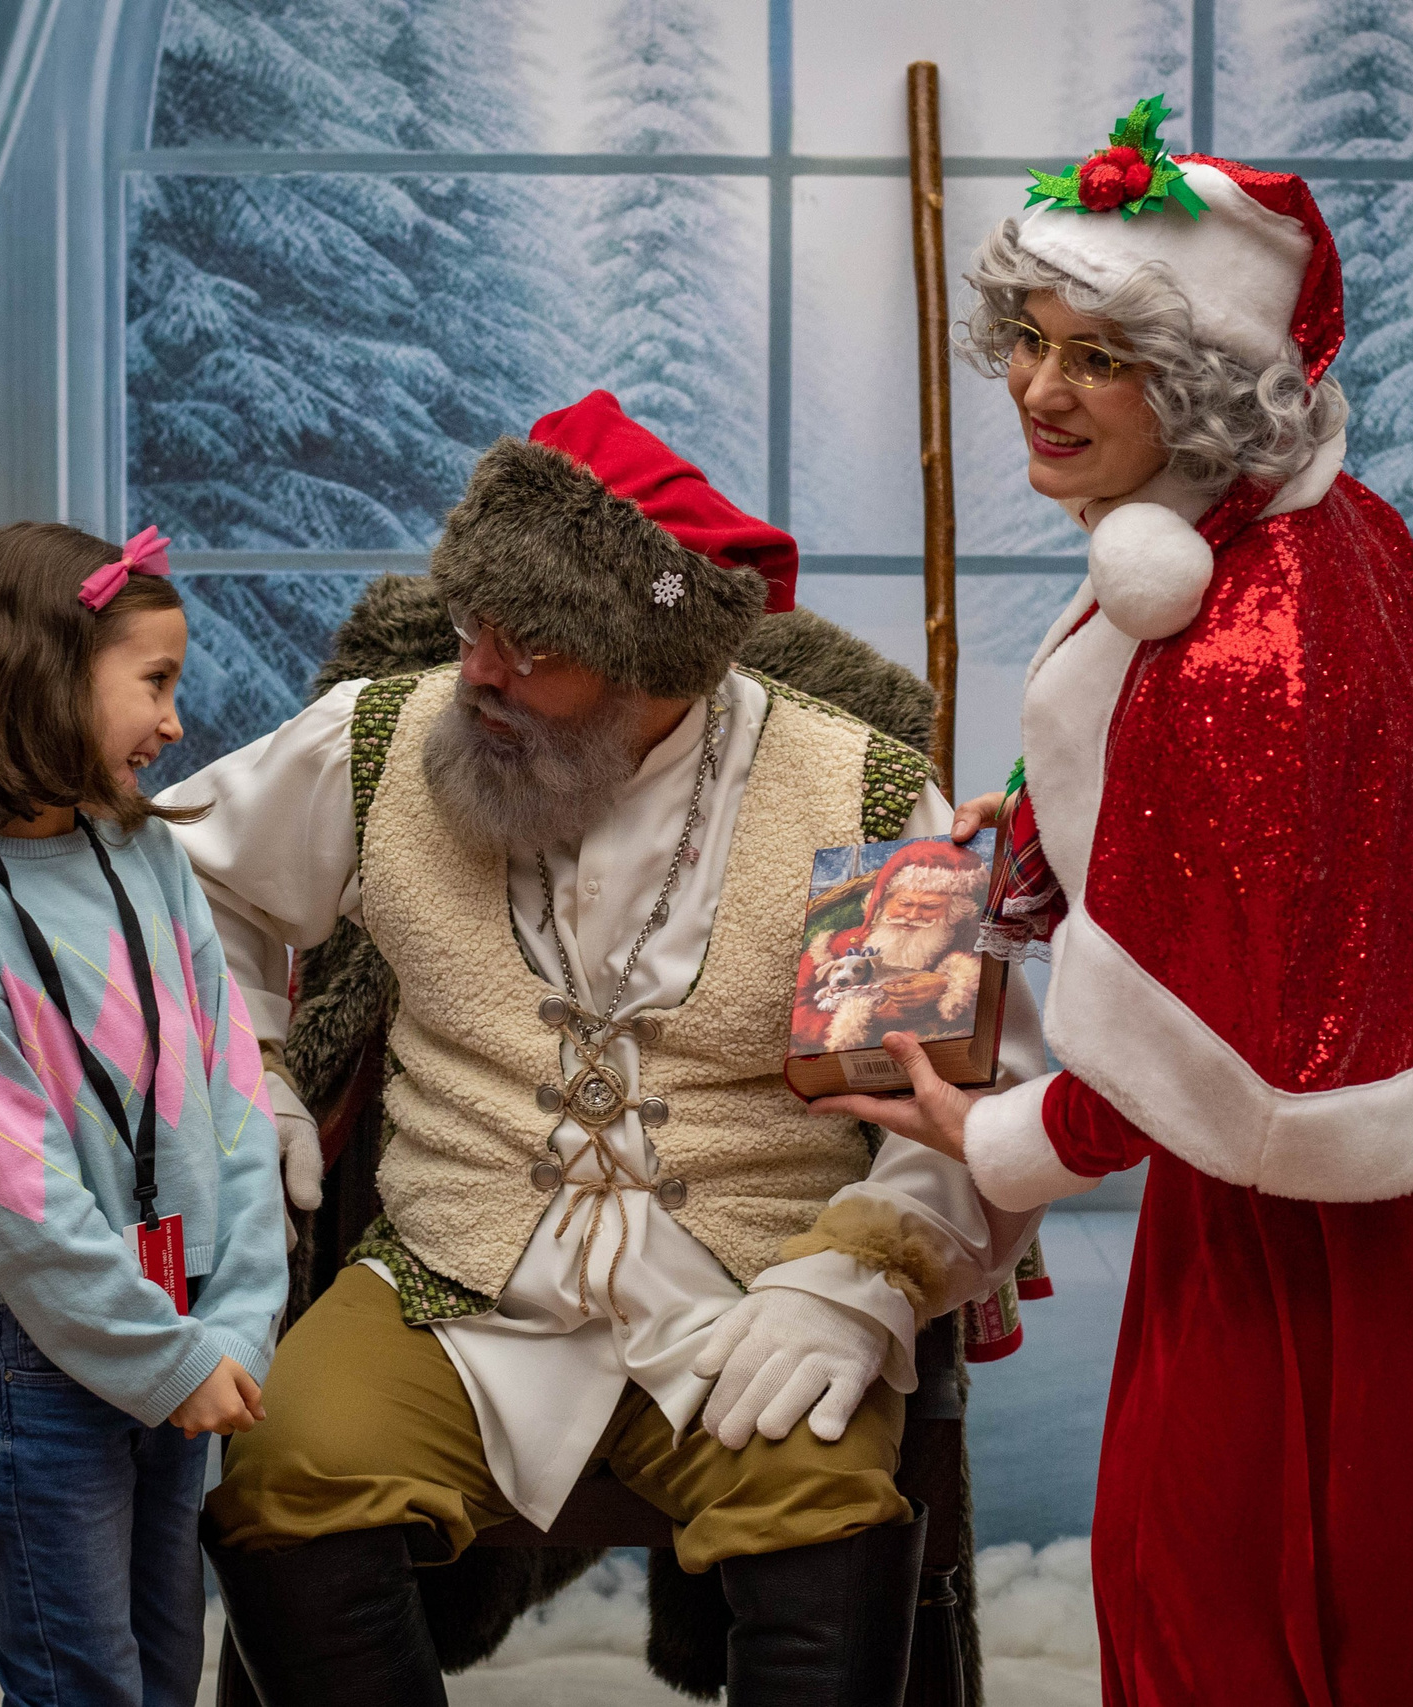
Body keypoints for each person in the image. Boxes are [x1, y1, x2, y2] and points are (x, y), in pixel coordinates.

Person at [827, 111, 1413, 1706]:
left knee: (1262, 1577)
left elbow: (1226, 1024)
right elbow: (1235, 840)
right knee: (1393, 1564)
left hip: (1357, 1176)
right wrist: (1031, 838)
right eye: (1028, 339)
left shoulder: (1243, 650)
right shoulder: (1275, 528)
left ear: (1201, 386)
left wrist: (990, 1133)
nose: (1038, 389)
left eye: (1099, 359)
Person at [160, 390, 1045, 1706]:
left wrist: (860, 1279)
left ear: (654, 666)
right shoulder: (386, 739)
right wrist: (252, 1077)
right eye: (471, 627)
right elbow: (178, 889)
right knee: (286, 1473)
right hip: (449, 1276)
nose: (480, 672)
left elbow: (953, 1103)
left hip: (757, 1291)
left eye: (531, 650)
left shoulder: (855, 793)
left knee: (823, 1506)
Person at [0, 521, 291, 1707]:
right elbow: (5, 1185)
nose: (175, 723)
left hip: (187, 1325)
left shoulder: (147, 856)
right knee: (81, 1679)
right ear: (45, 674)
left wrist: (235, 1323)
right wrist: (164, 1357)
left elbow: (234, 1097)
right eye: (154, 683)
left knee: (166, 1660)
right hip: (42, 1356)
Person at [791, 836, 990, 1055]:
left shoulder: (965, 949)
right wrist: (875, 1017)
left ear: (954, 911)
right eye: (904, 903)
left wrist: (945, 986)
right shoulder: (835, 945)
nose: (912, 915)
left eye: (930, 907)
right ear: (883, 902)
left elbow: (982, 1015)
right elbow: (798, 1011)